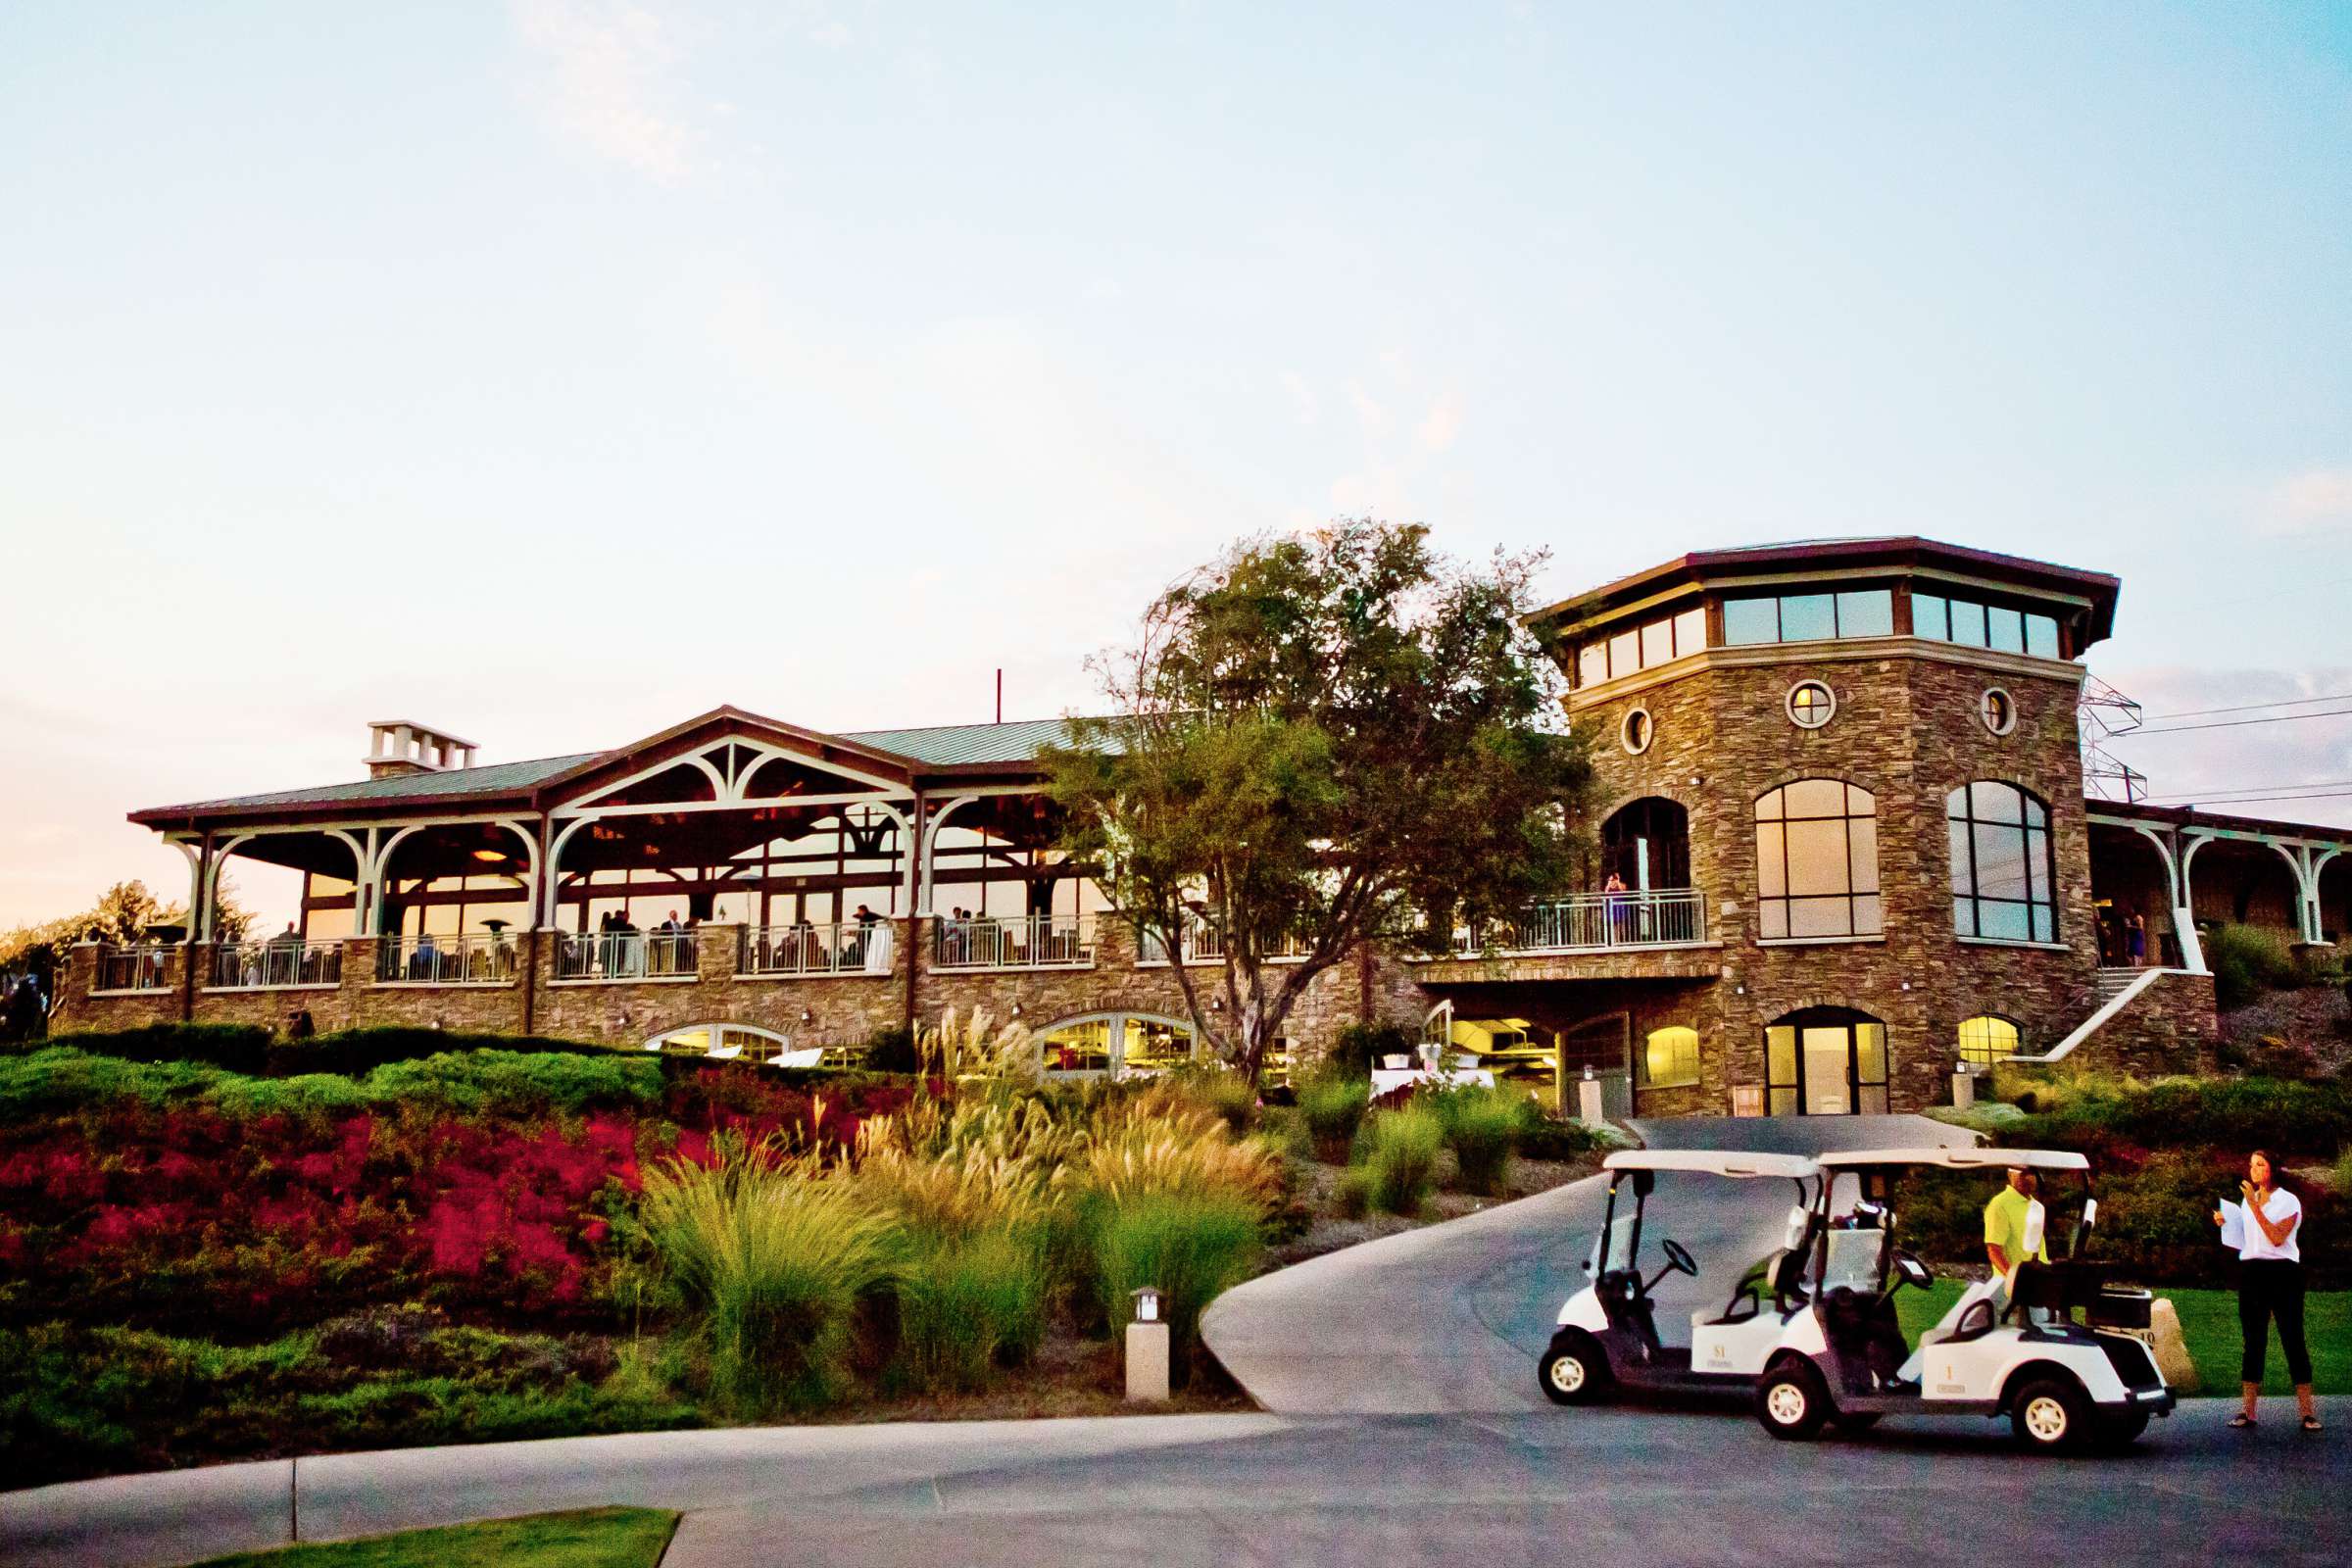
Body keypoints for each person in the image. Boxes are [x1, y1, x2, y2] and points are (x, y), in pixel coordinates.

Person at [2217, 1151, 2318, 1432]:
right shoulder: (2248, 1201)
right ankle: (2248, 1412)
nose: (2254, 1170)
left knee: (2292, 1338)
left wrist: (2255, 1206)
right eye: (2251, 1165)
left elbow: (2275, 1238)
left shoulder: (2288, 1201)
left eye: (2260, 1164)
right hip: (2252, 1274)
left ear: (2272, 1168)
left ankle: (2307, 1413)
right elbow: (2249, 1241)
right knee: (2253, 1341)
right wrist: (2228, 1224)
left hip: (2283, 1273)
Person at [1984, 1165, 2047, 1283]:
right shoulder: (1999, 1204)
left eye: (2031, 1174)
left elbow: (2037, 1248)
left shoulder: (2037, 1206)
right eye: (2022, 1174)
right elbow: (1994, 1250)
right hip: (2010, 1286)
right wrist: (2013, 1279)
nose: (2028, 1178)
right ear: (2010, 1175)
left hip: (2036, 1281)